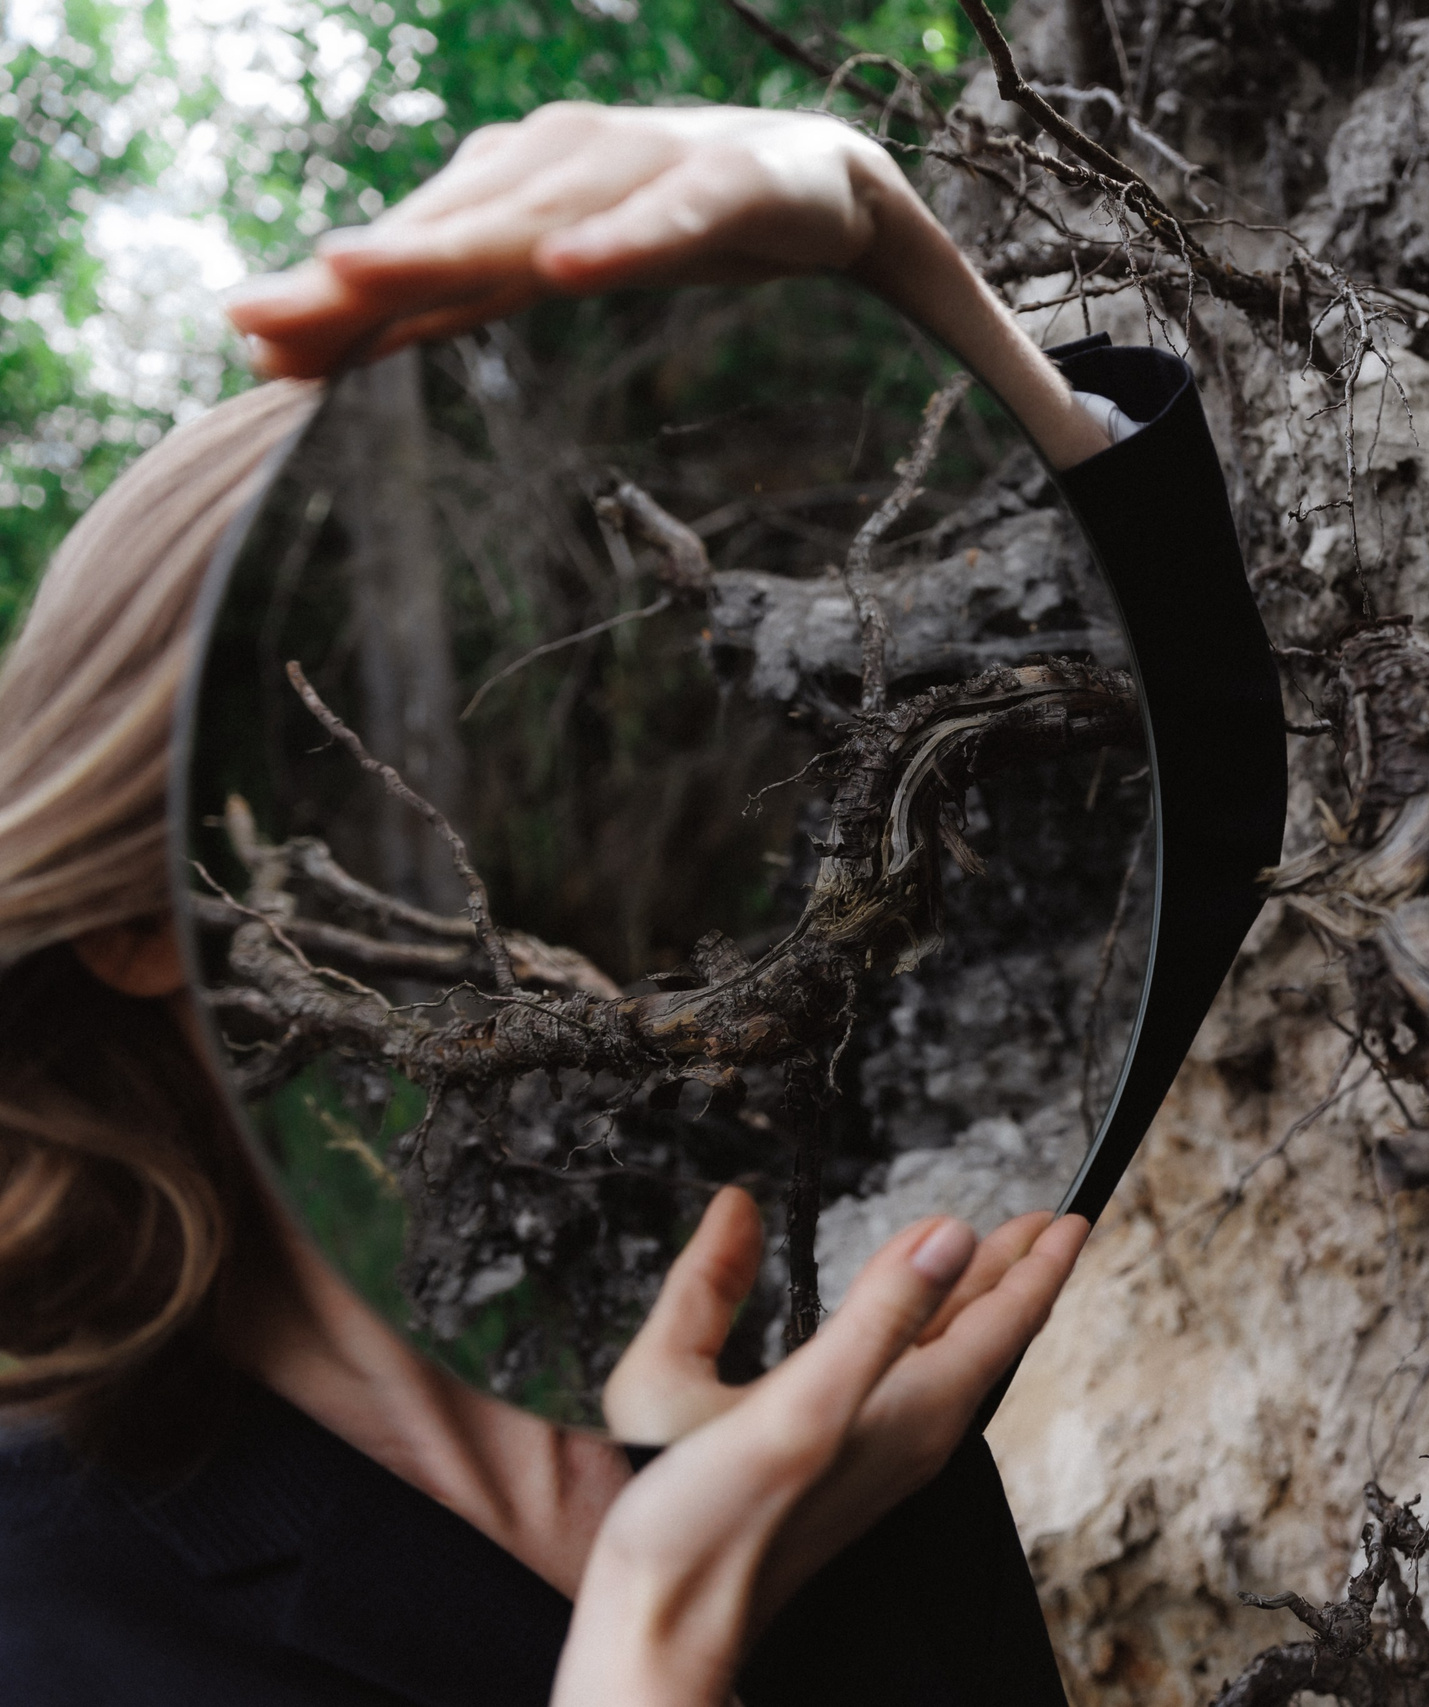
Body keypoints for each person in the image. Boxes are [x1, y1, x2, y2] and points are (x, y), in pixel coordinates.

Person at [0, 104, 1117, 1706]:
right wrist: (663, 1637)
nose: (493, 806)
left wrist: (884, 239)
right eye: (351, 746)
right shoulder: (44, 1611)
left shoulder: (774, 1262)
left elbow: (1163, 760)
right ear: (129, 914)